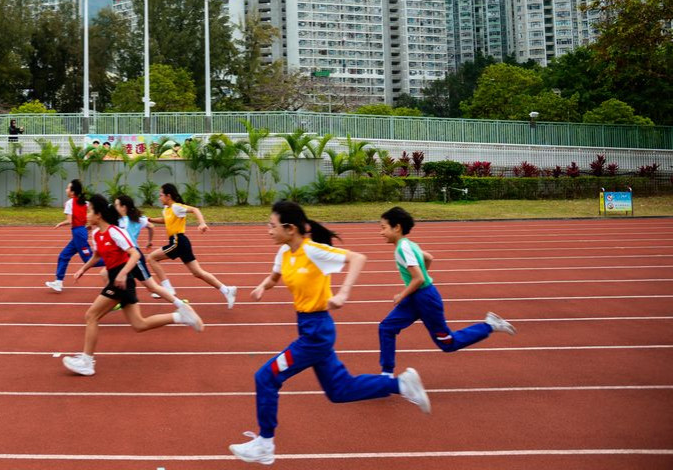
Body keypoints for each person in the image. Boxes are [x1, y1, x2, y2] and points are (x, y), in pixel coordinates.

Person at [228, 201, 430, 465]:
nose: (268, 230)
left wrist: (343, 293)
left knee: (266, 377)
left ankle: (265, 444)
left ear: (290, 229)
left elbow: (357, 258)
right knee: (339, 390)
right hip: (309, 328)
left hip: (316, 332)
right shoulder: (284, 252)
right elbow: (275, 277)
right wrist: (262, 287)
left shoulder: (313, 251)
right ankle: (401, 384)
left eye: (272, 225)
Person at [62, 195, 204, 376]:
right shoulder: (97, 234)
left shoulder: (115, 232)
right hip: (118, 281)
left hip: (121, 281)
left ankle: (87, 362)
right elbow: (97, 255)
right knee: (139, 324)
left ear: (99, 214)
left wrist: (122, 273)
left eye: (89, 211)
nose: (86, 215)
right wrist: (83, 269)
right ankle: (180, 317)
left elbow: (134, 254)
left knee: (91, 316)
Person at [377, 206, 516, 377]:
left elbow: (419, 279)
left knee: (447, 343)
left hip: (426, 299)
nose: (381, 232)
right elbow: (429, 258)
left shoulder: (402, 248)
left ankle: (489, 325)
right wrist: (416, 284)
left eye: (383, 228)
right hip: (417, 296)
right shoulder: (409, 245)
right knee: (386, 327)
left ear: (397, 227)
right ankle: (387, 374)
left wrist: (401, 295)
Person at [145, 183, 237, 309]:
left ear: (168, 196)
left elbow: (195, 209)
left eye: (161, 195)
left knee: (151, 258)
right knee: (197, 273)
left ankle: (168, 289)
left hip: (178, 241)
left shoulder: (177, 207)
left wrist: (202, 223)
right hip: (181, 243)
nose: (159, 197)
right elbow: (165, 220)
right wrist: (150, 219)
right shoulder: (166, 209)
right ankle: (227, 290)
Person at [113, 194, 198, 311]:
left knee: (152, 287)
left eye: (116, 205)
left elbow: (151, 226)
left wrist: (150, 241)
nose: (115, 207)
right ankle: (121, 300)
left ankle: (181, 304)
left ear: (124, 207)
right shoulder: (125, 219)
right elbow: (151, 226)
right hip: (123, 256)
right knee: (109, 275)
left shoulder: (130, 220)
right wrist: (149, 241)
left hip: (134, 256)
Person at [45, 180, 98, 293]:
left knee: (88, 260)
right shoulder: (85, 203)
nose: (66, 190)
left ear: (73, 192)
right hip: (80, 232)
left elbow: (70, 221)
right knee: (64, 256)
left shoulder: (69, 203)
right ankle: (58, 282)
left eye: (68, 188)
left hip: (78, 233)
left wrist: (60, 223)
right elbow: (90, 214)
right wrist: (88, 224)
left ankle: (116, 261)